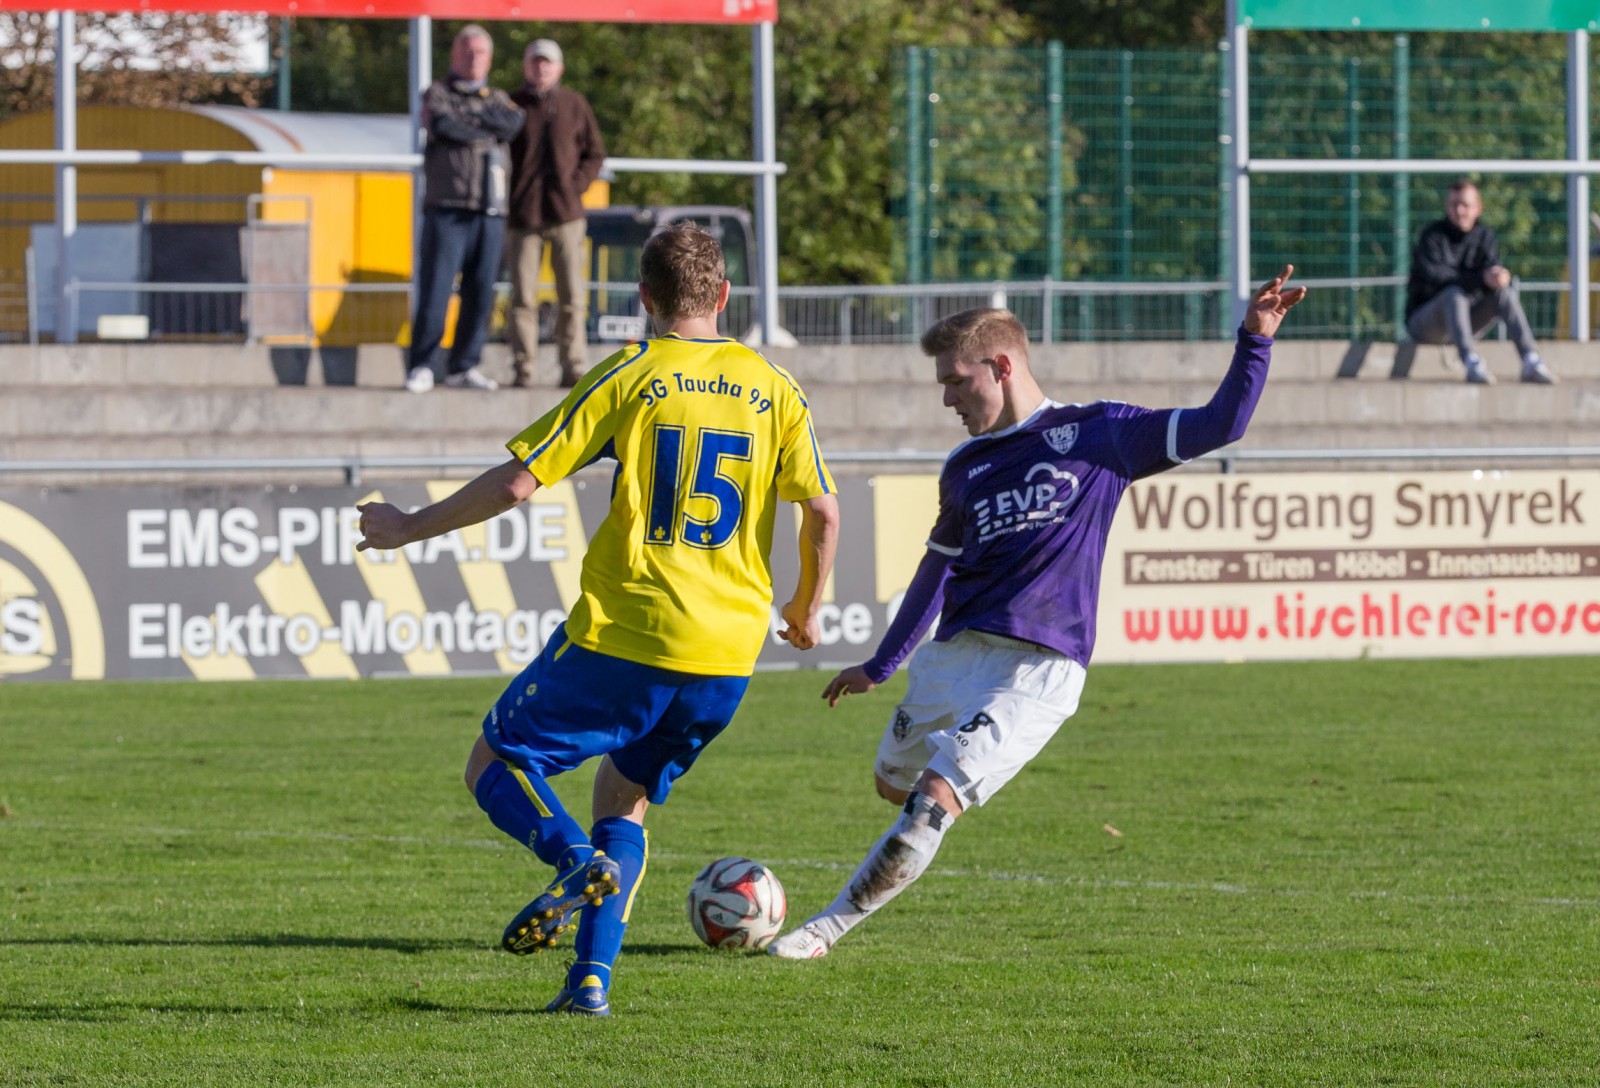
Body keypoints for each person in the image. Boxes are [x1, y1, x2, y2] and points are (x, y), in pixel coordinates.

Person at [358, 223, 840, 1015]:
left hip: (632, 631)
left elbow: (519, 484)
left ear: (644, 301)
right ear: (724, 296)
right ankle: (589, 984)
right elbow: (822, 511)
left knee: (496, 760)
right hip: (727, 658)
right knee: (625, 798)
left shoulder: (632, 373)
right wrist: (803, 606)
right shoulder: (775, 387)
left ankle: (574, 861)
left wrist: (409, 526)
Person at [766, 267, 1307, 962]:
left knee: (929, 801)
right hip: (953, 659)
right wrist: (880, 664)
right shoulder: (965, 466)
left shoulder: (1101, 433)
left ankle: (823, 931)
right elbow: (938, 568)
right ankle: (915, 809)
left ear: (1000, 365)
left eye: (956, 382)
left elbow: (1220, 424)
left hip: (1038, 669)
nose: (949, 400)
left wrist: (1254, 340)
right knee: (889, 783)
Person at [405, 25, 524, 394]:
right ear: (455, 55)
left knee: (481, 292)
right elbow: (443, 125)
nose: (474, 59)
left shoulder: (499, 96)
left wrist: (475, 123)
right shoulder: (438, 93)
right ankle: (422, 364)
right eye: (467, 52)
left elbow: (513, 123)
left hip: (490, 212)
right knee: (436, 290)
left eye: (481, 53)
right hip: (448, 210)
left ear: (489, 58)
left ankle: (464, 366)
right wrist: (485, 129)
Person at [507, 38, 607, 388]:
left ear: (559, 68)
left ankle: (573, 365)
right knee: (522, 297)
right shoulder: (512, 105)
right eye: (535, 62)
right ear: (526, 67)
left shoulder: (574, 104)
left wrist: (576, 186)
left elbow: (595, 153)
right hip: (523, 215)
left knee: (572, 296)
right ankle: (524, 366)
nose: (541, 68)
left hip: (566, 213)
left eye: (547, 62)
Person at [1404, 179, 1556, 385]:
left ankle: (1531, 360)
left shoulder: (1485, 236)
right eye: (1454, 204)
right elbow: (1436, 279)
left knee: (1505, 294)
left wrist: (1496, 277)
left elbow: (1490, 275)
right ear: (1446, 206)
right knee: (1453, 294)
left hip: (1467, 319)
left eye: (1465, 205)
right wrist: (1480, 279)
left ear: (1477, 208)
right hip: (1426, 323)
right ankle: (1470, 362)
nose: (1459, 211)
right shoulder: (1432, 236)